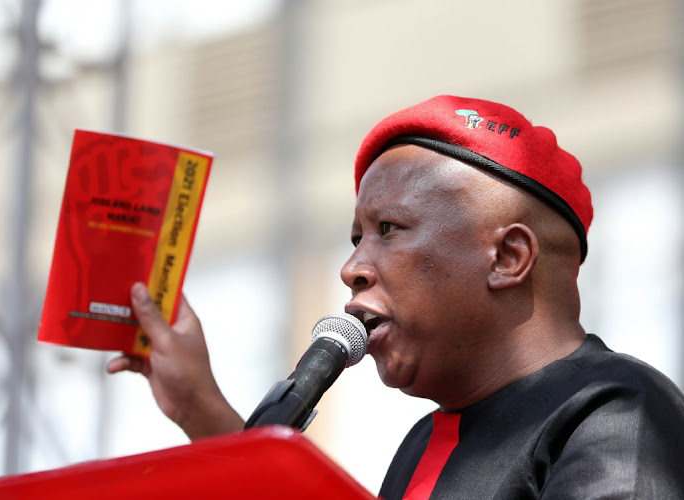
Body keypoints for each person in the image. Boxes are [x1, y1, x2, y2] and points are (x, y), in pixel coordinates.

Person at [107, 95, 684, 499]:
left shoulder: (615, 410)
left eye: (389, 230)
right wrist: (199, 406)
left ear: (508, 258)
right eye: (357, 237)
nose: (351, 268)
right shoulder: (421, 444)